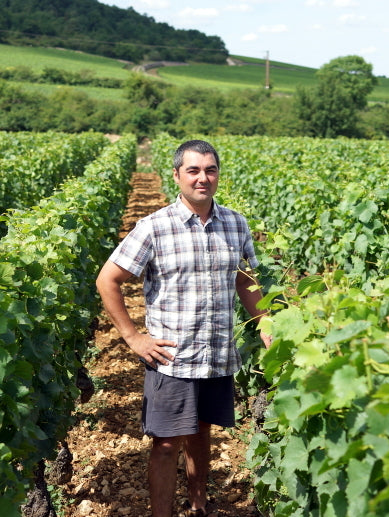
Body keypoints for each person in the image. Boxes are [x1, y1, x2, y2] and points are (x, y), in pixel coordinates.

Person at [95, 139, 271, 517]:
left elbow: (244, 280)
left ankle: (199, 503)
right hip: (172, 356)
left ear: (218, 175)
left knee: (201, 431)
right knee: (165, 443)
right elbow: (107, 279)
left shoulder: (235, 222)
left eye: (210, 170)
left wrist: (265, 322)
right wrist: (132, 337)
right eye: (193, 170)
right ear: (176, 176)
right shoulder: (154, 227)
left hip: (217, 351)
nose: (202, 178)